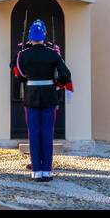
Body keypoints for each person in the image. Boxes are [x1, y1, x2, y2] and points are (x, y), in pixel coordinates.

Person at [12, 19, 72, 182]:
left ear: (30, 37)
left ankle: (36, 171)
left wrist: (30, 79)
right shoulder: (53, 54)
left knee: (34, 134)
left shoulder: (23, 55)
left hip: (31, 96)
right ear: (44, 37)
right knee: (47, 133)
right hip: (49, 97)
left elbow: (19, 75)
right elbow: (66, 74)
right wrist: (56, 85)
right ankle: (47, 171)